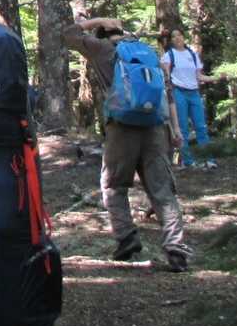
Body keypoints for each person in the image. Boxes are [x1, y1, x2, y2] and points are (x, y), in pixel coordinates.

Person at [62, 16, 192, 272]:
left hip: (121, 127)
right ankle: (176, 247)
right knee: (162, 189)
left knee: (113, 184)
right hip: (155, 128)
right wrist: (175, 128)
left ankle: (126, 238)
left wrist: (95, 20)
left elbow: (68, 34)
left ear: (100, 34)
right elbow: (167, 92)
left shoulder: (103, 49)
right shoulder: (148, 53)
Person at [161, 28, 217, 168]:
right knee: (182, 128)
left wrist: (217, 77)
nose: (177, 38)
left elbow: (199, 76)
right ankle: (188, 161)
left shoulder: (192, 54)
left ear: (183, 37)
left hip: (194, 92)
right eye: (174, 36)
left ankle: (208, 159)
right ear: (171, 40)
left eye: (179, 35)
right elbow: (166, 77)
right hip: (178, 91)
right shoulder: (169, 56)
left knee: (201, 126)